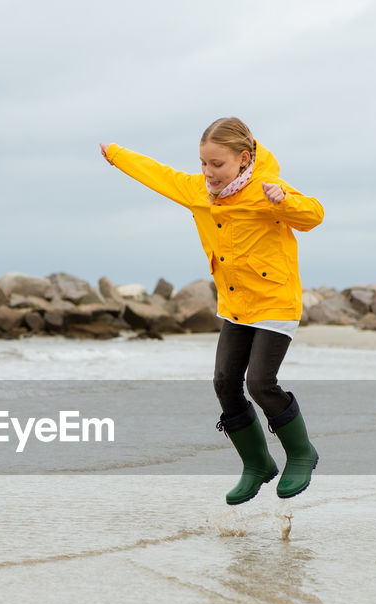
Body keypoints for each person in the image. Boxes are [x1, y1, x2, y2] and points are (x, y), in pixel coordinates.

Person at [100, 117, 324, 504]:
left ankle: (302, 452)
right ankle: (256, 463)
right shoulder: (198, 191)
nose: (208, 172)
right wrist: (117, 154)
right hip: (235, 305)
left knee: (260, 384)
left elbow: (313, 215)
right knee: (224, 382)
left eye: (216, 164)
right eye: (203, 163)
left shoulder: (265, 190)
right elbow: (158, 174)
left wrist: (284, 202)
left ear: (242, 159)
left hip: (274, 302)